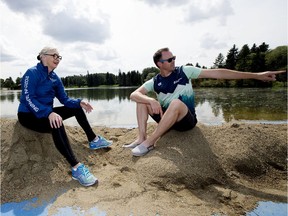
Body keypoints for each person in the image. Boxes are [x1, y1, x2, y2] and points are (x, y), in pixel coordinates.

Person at [124, 47, 286, 157]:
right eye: (170, 59)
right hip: (166, 118)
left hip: (185, 121)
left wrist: (257, 75)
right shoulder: (155, 80)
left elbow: (220, 73)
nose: (174, 60)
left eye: (174, 58)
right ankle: (141, 137)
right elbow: (134, 94)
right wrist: (150, 99)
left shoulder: (185, 71)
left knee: (176, 103)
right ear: (160, 64)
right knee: (141, 101)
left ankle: (150, 142)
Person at [18, 46, 113, 187]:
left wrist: (80, 102)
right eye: (54, 55)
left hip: (46, 113)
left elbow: (65, 99)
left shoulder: (55, 78)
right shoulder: (31, 73)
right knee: (57, 122)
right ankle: (76, 167)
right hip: (28, 115)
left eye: (59, 56)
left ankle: (93, 140)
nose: (57, 58)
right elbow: (28, 98)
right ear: (43, 56)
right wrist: (48, 113)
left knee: (76, 108)